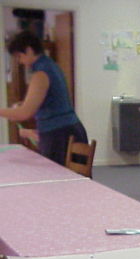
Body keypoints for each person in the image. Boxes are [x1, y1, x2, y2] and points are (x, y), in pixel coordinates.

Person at [0, 30, 87, 165]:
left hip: (60, 134)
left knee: (55, 175)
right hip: (67, 130)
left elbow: (24, 113)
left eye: (19, 56)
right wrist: (23, 104)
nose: (20, 61)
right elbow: (46, 100)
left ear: (29, 50)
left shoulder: (41, 73)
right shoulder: (50, 66)